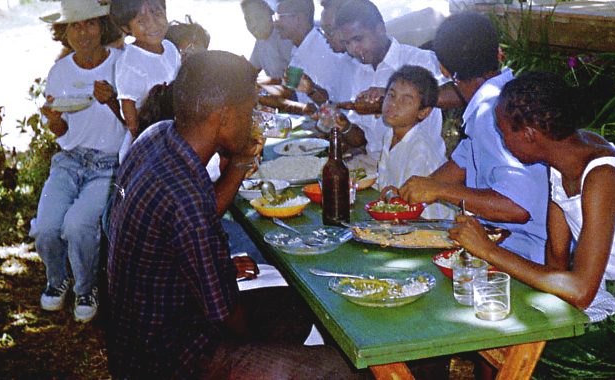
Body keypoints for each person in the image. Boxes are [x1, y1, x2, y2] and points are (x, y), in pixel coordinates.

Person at [106, 50, 367, 379]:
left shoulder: (156, 137)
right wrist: (263, 352)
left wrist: (240, 164)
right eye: (250, 111)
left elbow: (173, 238)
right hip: (171, 357)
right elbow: (227, 316)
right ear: (225, 117)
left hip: (137, 335)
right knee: (338, 369)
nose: (254, 119)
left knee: (299, 309)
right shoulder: (183, 195)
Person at [450, 72, 615, 378]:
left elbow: (580, 289)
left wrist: (488, 250)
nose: (502, 141)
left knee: (529, 355)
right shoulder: (561, 159)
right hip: (610, 294)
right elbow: (556, 252)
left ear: (531, 135)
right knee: (509, 331)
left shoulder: (601, 177)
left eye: (504, 132)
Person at [399, 12, 548, 263]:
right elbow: (464, 161)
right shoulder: (502, 94)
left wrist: (439, 190)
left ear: (444, 69)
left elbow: (517, 207)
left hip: (526, 256)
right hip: (509, 245)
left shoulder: (491, 113)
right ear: (498, 53)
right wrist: (409, 197)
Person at [32, 0, 125, 323]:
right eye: (75, 25)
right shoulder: (60, 71)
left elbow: (136, 125)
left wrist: (112, 100)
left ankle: (86, 288)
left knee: (77, 225)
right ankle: (57, 280)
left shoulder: (121, 64)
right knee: (45, 228)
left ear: (103, 27)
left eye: (90, 24)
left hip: (109, 164)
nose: (83, 32)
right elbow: (61, 132)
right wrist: (53, 120)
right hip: (69, 160)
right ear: (64, 32)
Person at [334, 0, 447, 172]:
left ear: (380, 29)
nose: (353, 49)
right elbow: (362, 139)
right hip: (374, 164)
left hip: (419, 167)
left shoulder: (420, 60)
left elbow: (457, 95)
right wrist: (342, 124)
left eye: (358, 39)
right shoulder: (360, 71)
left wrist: (390, 97)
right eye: (347, 43)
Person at [374, 65, 454, 220]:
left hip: (428, 224)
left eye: (406, 100)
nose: (394, 104)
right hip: (397, 214)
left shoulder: (420, 147)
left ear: (423, 112)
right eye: (391, 95)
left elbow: (411, 202)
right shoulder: (390, 134)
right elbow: (384, 182)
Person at [110, 0, 181, 163]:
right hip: (149, 141)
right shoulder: (129, 61)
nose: (153, 24)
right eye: (141, 21)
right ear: (126, 28)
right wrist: (144, 142)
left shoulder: (170, 48)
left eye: (157, 14)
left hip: (174, 129)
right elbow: (129, 112)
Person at [276, 0, 358, 105]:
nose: (275, 23)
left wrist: (311, 91)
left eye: (279, 17)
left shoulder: (327, 50)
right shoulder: (297, 50)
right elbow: (289, 90)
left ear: (298, 19)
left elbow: (331, 103)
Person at [241, 0, 294, 79]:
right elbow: (250, 71)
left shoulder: (284, 38)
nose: (253, 25)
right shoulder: (260, 42)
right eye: (248, 20)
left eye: (258, 18)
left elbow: (296, 81)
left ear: (271, 13)